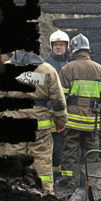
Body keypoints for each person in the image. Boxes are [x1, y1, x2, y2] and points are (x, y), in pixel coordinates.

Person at [0, 50, 67, 195]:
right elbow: (58, 101)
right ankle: (45, 197)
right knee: (41, 160)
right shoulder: (47, 69)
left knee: (14, 162)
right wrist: (60, 120)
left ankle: (13, 196)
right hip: (39, 126)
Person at [58, 34, 101, 188]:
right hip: (92, 121)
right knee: (91, 152)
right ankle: (90, 182)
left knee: (70, 151)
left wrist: (60, 119)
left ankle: (68, 181)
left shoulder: (67, 69)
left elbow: (61, 97)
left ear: (73, 51)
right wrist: (100, 118)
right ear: (88, 50)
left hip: (72, 120)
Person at [44, 30, 71, 181]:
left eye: (61, 45)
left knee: (65, 143)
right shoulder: (45, 63)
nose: (59, 47)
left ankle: (60, 171)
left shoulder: (70, 63)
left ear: (66, 47)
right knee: (54, 142)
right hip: (50, 109)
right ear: (51, 46)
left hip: (67, 110)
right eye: (56, 45)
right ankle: (53, 172)